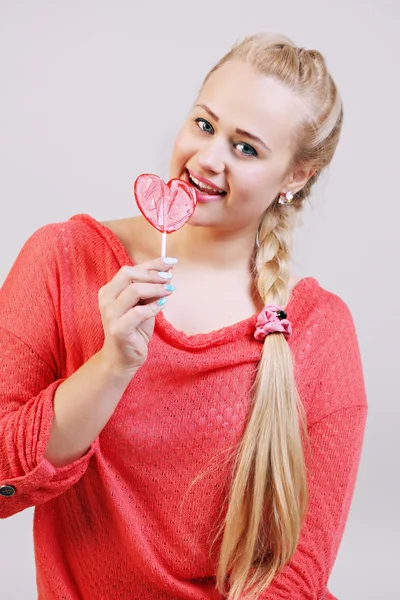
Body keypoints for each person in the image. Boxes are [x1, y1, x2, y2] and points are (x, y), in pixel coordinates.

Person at [0, 31, 367, 600]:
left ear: (296, 176)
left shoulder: (320, 331)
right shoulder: (62, 259)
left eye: (246, 148)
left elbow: (296, 575)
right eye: (204, 124)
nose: (207, 159)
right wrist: (110, 366)